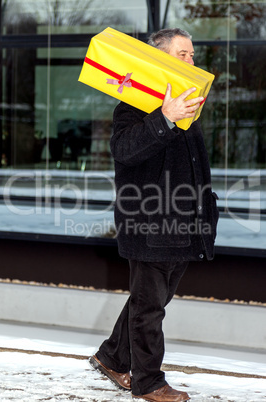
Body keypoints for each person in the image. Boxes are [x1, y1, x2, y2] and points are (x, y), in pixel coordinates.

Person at [89, 28, 219, 402]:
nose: (191, 62)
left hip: (183, 225)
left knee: (150, 300)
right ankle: (148, 382)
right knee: (149, 308)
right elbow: (123, 150)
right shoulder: (132, 106)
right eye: (183, 55)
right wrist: (164, 117)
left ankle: (112, 356)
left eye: (193, 55)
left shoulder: (188, 107)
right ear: (159, 58)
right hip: (151, 226)